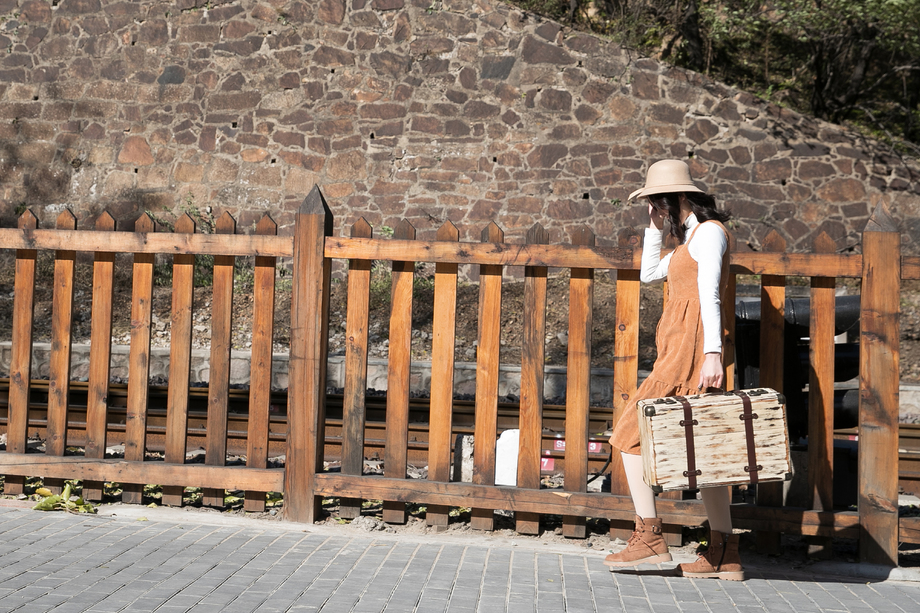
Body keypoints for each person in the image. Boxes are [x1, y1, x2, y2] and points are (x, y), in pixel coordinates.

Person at [604, 159, 744, 581]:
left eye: (657, 202)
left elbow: (710, 294)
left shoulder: (710, 235)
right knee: (706, 455)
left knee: (629, 433)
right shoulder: (688, 243)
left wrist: (713, 355)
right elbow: (649, 274)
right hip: (683, 349)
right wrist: (652, 227)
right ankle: (724, 556)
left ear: (679, 197)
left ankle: (650, 537)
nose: (656, 209)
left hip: (693, 352)